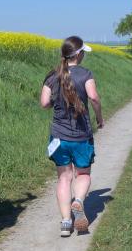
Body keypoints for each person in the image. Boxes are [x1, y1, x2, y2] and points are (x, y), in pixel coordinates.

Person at [40, 36, 104, 237]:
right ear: (79, 54)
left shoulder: (52, 75)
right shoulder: (86, 74)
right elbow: (93, 97)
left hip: (58, 136)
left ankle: (66, 222)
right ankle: (78, 200)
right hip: (81, 135)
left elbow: (44, 103)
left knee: (63, 178)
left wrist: (55, 103)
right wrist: (99, 117)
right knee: (83, 174)